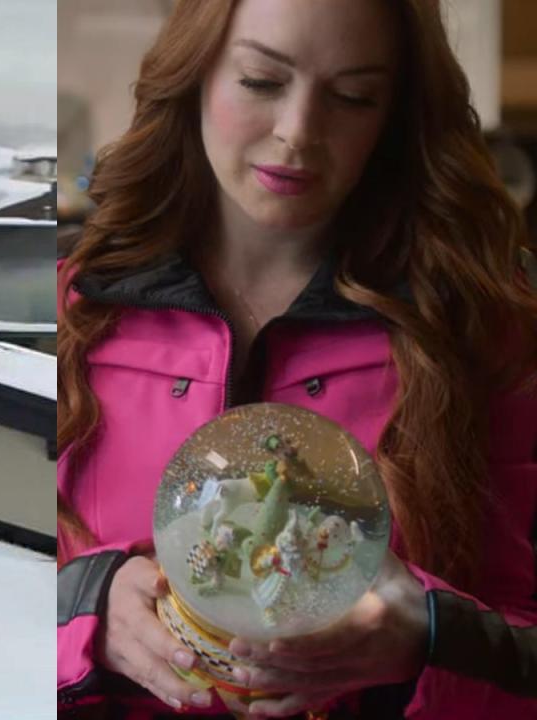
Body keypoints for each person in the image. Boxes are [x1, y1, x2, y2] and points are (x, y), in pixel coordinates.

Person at [56, 0, 537, 718]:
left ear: (395, 115)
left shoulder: (485, 334)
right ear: (195, 74)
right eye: (259, 80)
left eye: (353, 97)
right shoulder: (73, 313)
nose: (298, 133)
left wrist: (432, 638)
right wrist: (81, 611)